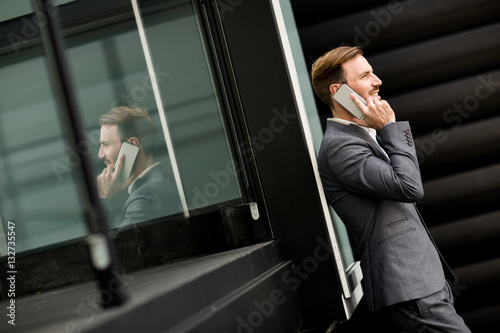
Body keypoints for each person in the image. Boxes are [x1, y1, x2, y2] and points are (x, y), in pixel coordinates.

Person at [312, 46, 471, 332]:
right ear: (338, 91)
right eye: (366, 75)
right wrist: (389, 127)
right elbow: (408, 186)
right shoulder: (340, 147)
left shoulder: (358, 136)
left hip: (422, 283)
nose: (378, 81)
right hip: (410, 289)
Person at [97, 106, 181, 228]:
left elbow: (121, 245)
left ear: (131, 144)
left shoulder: (147, 196)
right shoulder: (154, 186)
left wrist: (106, 198)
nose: (100, 155)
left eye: (105, 144)